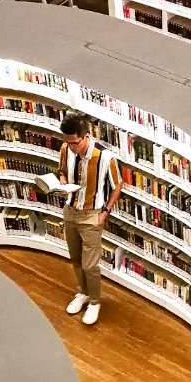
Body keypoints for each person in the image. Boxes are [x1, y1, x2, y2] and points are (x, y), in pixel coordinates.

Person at [57, 111, 122, 326]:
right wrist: (62, 183)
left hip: (92, 215)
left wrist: (105, 212)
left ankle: (95, 301)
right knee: (75, 258)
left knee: (90, 265)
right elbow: (61, 171)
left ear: (85, 136)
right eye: (68, 143)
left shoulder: (106, 158)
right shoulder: (65, 148)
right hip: (70, 210)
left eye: (75, 143)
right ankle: (82, 293)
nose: (72, 147)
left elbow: (118, 185)